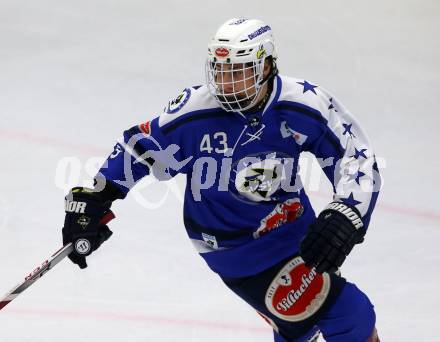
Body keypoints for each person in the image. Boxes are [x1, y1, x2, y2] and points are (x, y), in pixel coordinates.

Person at [62, 18, 381, 342]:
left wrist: (347, 211)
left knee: (303, 328)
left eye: (239, 72)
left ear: (267, 66)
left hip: (297, 227)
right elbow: (138, 150)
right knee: (349, 315)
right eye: (221, 72)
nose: (227, 84)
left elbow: (355, 157)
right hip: (235, 245)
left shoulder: (302, 105)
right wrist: (95, 197)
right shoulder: (196, 113)